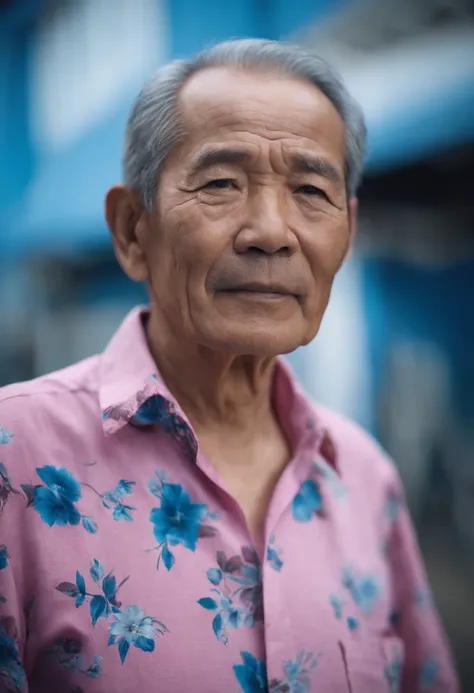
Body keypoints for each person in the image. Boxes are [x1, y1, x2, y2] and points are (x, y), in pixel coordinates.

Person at [0, 39, 457, 693]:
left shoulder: (363, 474)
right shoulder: (15, 460)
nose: (271, 230)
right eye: (220, 183)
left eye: (309, 189)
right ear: (133, 230)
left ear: (347, 235)